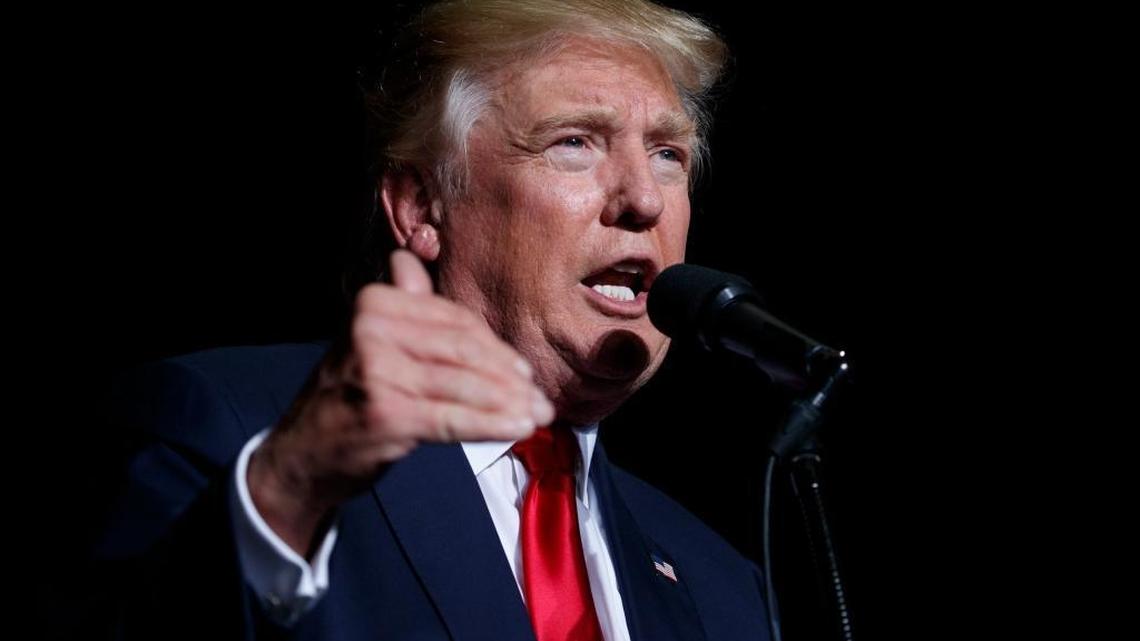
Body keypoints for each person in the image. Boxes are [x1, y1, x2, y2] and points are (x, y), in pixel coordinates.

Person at [98, 1, 772, 639]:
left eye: (667, 155)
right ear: (421, 205)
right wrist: (288, 489)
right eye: (575, 143)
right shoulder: (234, 435)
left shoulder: (727, 591)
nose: (643, 199)